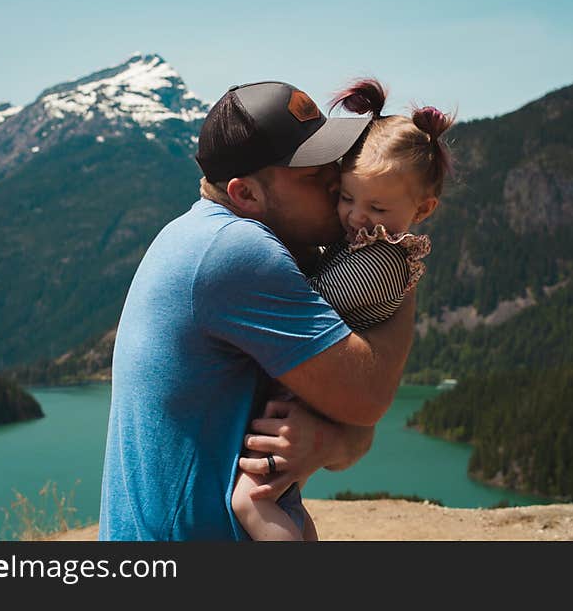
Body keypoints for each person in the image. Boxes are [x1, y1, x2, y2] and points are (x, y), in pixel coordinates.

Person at [98, 80, 418, 540]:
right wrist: (399, 259)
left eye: (332, 162)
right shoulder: (236, 251)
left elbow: (352, 425)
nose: (336, 181)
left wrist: (329, 439)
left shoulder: (197, 233)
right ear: (245, 194)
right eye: (312, 174)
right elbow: (366, 397)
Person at [228, 78, 456, 540]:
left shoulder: (379, 261)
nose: (355, 216)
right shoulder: (373, 244)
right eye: (345, 197)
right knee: (283, 497)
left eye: (375, 206)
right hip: (320, 388)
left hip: (312, 392)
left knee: (251, 498)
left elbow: (313, 300)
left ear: (423, 208)